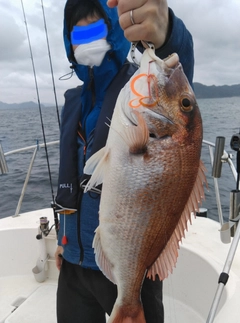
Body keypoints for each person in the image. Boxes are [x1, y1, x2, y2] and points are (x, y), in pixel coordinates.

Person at [55, 0, 194, 322]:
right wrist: (62, 240)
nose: (86, 39)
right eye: (78, 32)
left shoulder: (138, 86)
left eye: (96, 28)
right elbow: (73, 176)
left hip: (132, 263)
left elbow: (176, 66)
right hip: (73, 261)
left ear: (117, 32)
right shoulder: (73, 101)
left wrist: (167, 31)